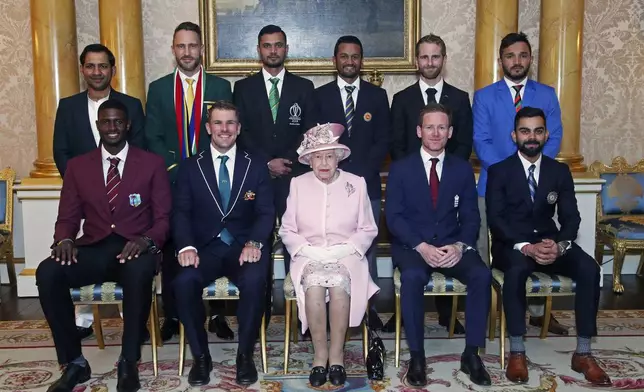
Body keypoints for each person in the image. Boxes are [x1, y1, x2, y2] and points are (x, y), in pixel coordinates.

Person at [36, 99, 171, 392]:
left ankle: (128, 361)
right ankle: (74, 362)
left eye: (118, 122)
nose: (112, 127)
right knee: (48, 272)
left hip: (135, 249)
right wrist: (65, 240)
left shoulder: (151, 163)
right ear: (98, 126)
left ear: (128, 125)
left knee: (138, 273)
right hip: (94, 247)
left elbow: (163, 218)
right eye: (106, 122)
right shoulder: (77, 166)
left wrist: (146, 241)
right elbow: (67, 216)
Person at [486, 107, 611, 386]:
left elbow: (571, 217)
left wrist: (560, 245)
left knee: (590, 269)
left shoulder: (559, 171)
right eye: (525, 131)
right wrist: (526, 248)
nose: (531, 137)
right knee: (517, 272)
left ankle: (583, 353)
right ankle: (517, 351)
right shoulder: (499, 171)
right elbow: (496, 220)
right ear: (514, 135)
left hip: (550, 242)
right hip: (513, 246)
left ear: (546, 135)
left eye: (538, 131)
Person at [386, 103, 491, 387]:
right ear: (419, 131)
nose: (435, 133)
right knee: (412, 277)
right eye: (430, 127)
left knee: (482, 275)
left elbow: (471, 216)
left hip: (451, 245)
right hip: (414, 248)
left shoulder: (462, 169)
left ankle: (471, 355)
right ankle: (417, 357)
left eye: (441, 127)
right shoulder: (401, 168)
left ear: (450, 132)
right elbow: (393, 217)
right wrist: (421, 246)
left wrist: (459, 246)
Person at [171, 101, 275, 386]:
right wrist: (186, 247)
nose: (224, 129)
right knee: (183, 283)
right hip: (203, 249)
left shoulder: (256, 166)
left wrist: (254, 242)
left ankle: (245, 356)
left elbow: (266, 212)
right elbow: (180, 212)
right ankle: (201, 357)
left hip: (243, 248)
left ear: (239, 129)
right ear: (208, 128)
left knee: (255, 281)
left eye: (230, 123)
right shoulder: (191, 167)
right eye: (218, 123)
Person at [472, 32, 567, 335]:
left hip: (536, 189)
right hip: (492, 186)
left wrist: (533, 171)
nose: (516, 61)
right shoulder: (485, 96)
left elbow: (553, 139)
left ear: (530, 59)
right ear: (501, 60)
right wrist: (511, 174)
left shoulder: (547, 94)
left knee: (538, 245)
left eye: (522, 55)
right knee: (492, 250)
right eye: (510, 56)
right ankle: (490, 310)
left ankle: (540, 313)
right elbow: (481, 141)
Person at [144, 21, 233, 342]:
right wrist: (175, 171)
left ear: (201, 49)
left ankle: (219, 314)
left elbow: (228, 133)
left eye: (192, 46)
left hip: (215, 183)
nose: (187, 52)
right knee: (172, 250)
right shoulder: (158, 88)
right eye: (180, 46)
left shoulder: (221, 87)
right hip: (171, 181)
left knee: (217, 242)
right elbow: (150, 136)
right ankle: (174, 314)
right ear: (173, 50)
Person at [53, 44, 147, 340]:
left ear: (112, 69)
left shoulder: (131, 104)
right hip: (85, 194)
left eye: (103, 66)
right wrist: (83, 184)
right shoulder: (68, 106)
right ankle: (82, 319)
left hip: (126, 194)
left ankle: (131, 319)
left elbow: (141, 149)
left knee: (128, 257)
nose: (97, 72)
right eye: (91, 66)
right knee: (78, 250)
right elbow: (61, 150)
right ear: (82, 70)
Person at [279, 123, 379, 387]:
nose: (324, 162)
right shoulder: (298, 184)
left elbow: (368, 227)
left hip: (347, 255)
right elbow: (287, 229)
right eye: (318, 156)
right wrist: (308, 250)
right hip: (308, 255)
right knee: (313, 288)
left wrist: (344, 249)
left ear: (338, 158)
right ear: (309, 160)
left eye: (329, 156)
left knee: (338, 287)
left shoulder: (356, 184)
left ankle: (337, 356)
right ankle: (319, 355)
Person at [386, 33, 472, 334]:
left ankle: (449, 315)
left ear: (443, 60)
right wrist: (416, 174)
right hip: (413, 190)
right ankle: (408, 316)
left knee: (450, 245)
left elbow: (463, 144)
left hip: (450, 187)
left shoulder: (460, 99)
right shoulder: (401, 99)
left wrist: (447, 174)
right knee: (415, 262)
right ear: (416, 61)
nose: (430, 62)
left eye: (436, 56)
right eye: (424, 57)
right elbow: (396, 145)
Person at [311, 35, 389, 329]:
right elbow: (317, 143)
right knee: (331, 246)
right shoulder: (319, 97)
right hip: (329, 186)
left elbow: (384, 139)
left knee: (364, 249)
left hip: (366, 185)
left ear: (361, 60)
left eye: (355, 56)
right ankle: (331, 310)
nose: (349, 61)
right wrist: (339, 170)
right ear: (335, 60)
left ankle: (368, 309)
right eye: (344, 56)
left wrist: (359, 173)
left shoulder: (377, 96)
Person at [233, 25, 315, 277]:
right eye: (267, 45)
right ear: (259, 50)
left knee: (298, 242)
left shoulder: (304, 87)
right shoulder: (243, 88)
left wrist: (286, 160)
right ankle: (262, 309)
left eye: (278, 45)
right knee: (259, 242)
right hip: (258, 177)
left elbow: (309, 130)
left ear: (286, 49)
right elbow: (241, 132)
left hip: (295, 176)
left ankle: (302, 309)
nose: (273, 50)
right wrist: (267, 162)